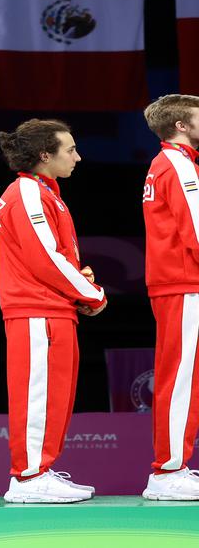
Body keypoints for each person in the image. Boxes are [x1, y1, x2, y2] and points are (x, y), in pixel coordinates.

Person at [0, 119, 106, 503]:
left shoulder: (45, 192)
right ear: (45, 154)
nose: (78, 156)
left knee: (55, 395)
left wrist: (78, 284)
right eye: (70, 149)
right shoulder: (26, 191)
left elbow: (56, 257)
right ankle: (27, 477)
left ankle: (39, 470)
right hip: (36, 309)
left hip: (53, 308)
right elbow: (46, 260)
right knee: (37, 394)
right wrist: (92, 295)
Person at [141, 94, 199, 501]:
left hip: (180, 283)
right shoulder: (177, 164)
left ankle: (173, 466)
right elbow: (196, 229)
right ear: (181, 124)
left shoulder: (173, 163)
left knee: (182, 377)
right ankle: (168, 471)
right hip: (182, 283)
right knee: (180, 379)